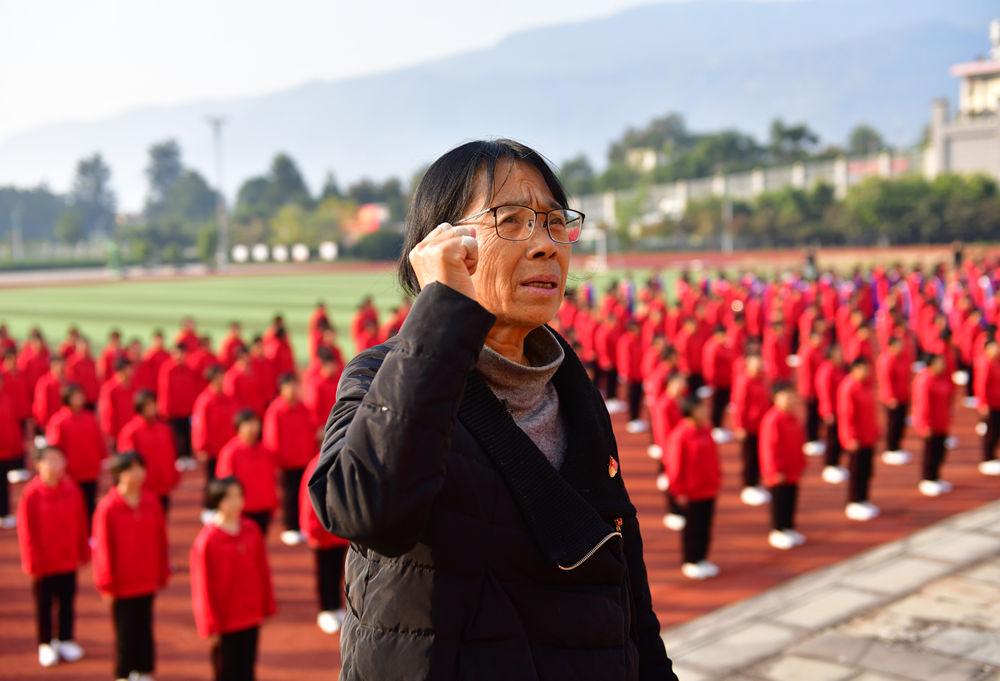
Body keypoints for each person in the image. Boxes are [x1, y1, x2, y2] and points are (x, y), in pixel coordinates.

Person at [308, 139, 676, 680]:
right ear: (443, 245)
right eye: (512, 220)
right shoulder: (381, 377)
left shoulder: (573, 390)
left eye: (555, 222)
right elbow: (367, 512)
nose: (546, 244)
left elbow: (625, 588)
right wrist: (440, 315)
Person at [92, 452, 169, 681]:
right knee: (125, 631)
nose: (137, 474)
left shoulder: (150, 501)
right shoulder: (108, 507)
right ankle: (124, 673)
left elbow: (160, 539)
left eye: (140, 468)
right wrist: (106, 583)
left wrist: (162, 570)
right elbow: (103, 548)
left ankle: (144, 670)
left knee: (145, 627)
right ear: (118, 474)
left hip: (146, 579)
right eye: (130, 469)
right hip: (122, 583)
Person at [190, 477, 276, 681]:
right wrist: (209, 624)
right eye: (230, 497)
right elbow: (202, 587)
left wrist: (267, 605)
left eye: (239, 496)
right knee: (227, 672)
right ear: (217, 501)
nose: (236, 502)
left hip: (250, 615)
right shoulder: (207, 541)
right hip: (224, 621)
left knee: (247, 669)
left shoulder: (252, 530)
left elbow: (262, 570)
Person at [16, 446, 90, 668]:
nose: (55, 466)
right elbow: (26, 532)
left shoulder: (71, 489)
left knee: (67, 602)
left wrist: (82, 550)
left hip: (67, 559)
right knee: (44, 605)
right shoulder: (31, 494)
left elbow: (80, 522)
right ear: (38, 465)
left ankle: (66, 638)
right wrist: (32, 561)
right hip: (43, 563)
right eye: (49, 461)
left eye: (59, 460)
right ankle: (45, 643)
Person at [664, 396, 721, 580]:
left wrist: (717, 477)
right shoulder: (680, 436)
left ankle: (702, 558)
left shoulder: (706, 430)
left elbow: (713, 457)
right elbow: (675, 465)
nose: (705, 412)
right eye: (701, 409)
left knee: (705, 525)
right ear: (691, 412)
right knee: (692, 527)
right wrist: (678, 490)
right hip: (691, 491)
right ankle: (690, 559)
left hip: (708, 488)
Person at [263, 373, 317, 546]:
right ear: (282, 389)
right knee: (289, 495)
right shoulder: (276, 410)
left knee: (304, 494)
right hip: (287, 462)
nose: (294, 389)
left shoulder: (303, 407)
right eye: (290, 386)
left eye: (296, 385)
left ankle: (301, 525)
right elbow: (272, 438)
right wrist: (277, 460)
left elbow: (311, 428)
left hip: (304, 459)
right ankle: (290, 526)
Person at [45, 384, 107, 527]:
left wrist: (102, 458)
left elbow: (99, 440)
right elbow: (55, 449)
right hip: (71, 473)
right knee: (72, 505)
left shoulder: (90, 418)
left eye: (80, 395)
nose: (79, 399)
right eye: (75, 396)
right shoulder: (59, 421)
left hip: (90, 470)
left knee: (90, 502)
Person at [299, 454, 349, 634]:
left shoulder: (346, 458)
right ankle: (326, 609)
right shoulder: (316, 464)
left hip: (341, 532)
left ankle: (337, 607)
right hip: (322, 532)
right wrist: (311, 530)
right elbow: (308, 500)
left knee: (339, 571)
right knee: (325, 573)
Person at [758, 382, 807, 550]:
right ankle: (778, 529)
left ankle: (789, 527)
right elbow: (769, 448)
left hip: (792, 468)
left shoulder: (793, 417)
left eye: (791, 395)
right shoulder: (772, 420)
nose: (790, 399)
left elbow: (799, 441)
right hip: (779, 471)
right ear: (775, 398)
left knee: (791, 498)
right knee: (780, 500)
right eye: (785, 396)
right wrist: (775, 470)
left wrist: (801, 462)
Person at [217, 410, 277, 538]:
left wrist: (272, 503)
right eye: (248, 424)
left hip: (263, 507)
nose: (253, 428)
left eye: (255, 423)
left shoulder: (265, 451)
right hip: (241, 509)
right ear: (239, 428)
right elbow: (225, 484)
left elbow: (271, 479)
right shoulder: (230, 453)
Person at [117, 391, 180, 512]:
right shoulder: (131, 432)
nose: (152, 408)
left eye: (153, 404)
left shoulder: (164, 429)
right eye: (148, 405)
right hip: (142, 488)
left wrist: (173, 475)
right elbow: (128, 462)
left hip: (162, 484)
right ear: (140, 407)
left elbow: (171, 454)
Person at [837, 357, 881, 521]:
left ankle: (864, 499)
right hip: (856, 438)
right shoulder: (848, 388)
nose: (866, 372)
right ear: (854, 369)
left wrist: (875, 430)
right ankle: (854, 501)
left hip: (868, 436)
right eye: (863, 369)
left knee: (866, 470)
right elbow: (847, 415)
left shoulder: (866, 386)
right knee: (856, 471)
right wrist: (850, 437)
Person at [730, 353, 772, 506]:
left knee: (759, 455)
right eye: (755, 365)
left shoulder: (763, 380)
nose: (758, 367)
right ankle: (748, 485)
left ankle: (756, 483)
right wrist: (739, 426)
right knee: (749, 457)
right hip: (749, 426)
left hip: (762, 425)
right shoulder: (744, 382)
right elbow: (739, 406)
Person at [911, 354, 955, 496]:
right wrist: (925, 424)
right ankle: (928, 478)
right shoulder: (924, 381)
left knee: (939, 451)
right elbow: (922, 405)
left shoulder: (943, 378)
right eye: (939, 363)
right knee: (930, 452)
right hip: (930, 424)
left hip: (941, 421)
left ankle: (936, 477)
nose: (942, 365)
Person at [192, 364, 238, 485]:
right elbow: (200, 426)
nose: (221, 380)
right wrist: (201, 447)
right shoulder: (205, 400)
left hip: (228, 446)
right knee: (213, 482)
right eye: (218, 377)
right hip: (213, 450)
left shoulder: (229, 398)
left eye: (222, 376)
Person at [157, 343, 200, 472]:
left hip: (187, 409)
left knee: (187, 433)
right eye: (177, 353)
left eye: (183, 353)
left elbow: (193, 388)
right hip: (174, 410)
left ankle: (188, 456)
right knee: (176, 434)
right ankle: (179, 457)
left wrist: (194, 407)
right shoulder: (168, 369)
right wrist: (165, 409)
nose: (180, 356)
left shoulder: (189, 369)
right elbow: (164, 390)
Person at [877, 336, 913, 466]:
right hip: (892, 399)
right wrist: (891, 397)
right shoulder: (887, 360)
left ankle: (898, 446)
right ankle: (891, 448)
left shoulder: (903, 358)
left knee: (900, 423)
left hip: (903, 395)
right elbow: (886, 381)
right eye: (897, 345)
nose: (900, 348)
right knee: (893, 424)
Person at [816, 343, 848, 484]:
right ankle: (830, 464)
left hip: (841, 409)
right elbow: (825, 393)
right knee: (831, 438)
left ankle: (837, 463)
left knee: (839, 437)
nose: (841, 355)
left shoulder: (840, 369)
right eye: (837, 352)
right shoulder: (826, 371)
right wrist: (828, 411)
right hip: (832, 410)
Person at [0, 370, 27, 527]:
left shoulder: (8, 399)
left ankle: (4, 512)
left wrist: (17, 446)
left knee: (3, 484)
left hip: (5, 452)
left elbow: (13, 425)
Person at [974, 336, 1000, 476]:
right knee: (991, 432)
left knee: (996, 431)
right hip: (991, 404)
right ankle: (987, 457)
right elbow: (981, 386)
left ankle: (993, 456)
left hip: (998, 402)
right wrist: (983, 403)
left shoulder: (997, 362)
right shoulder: (985, 363)